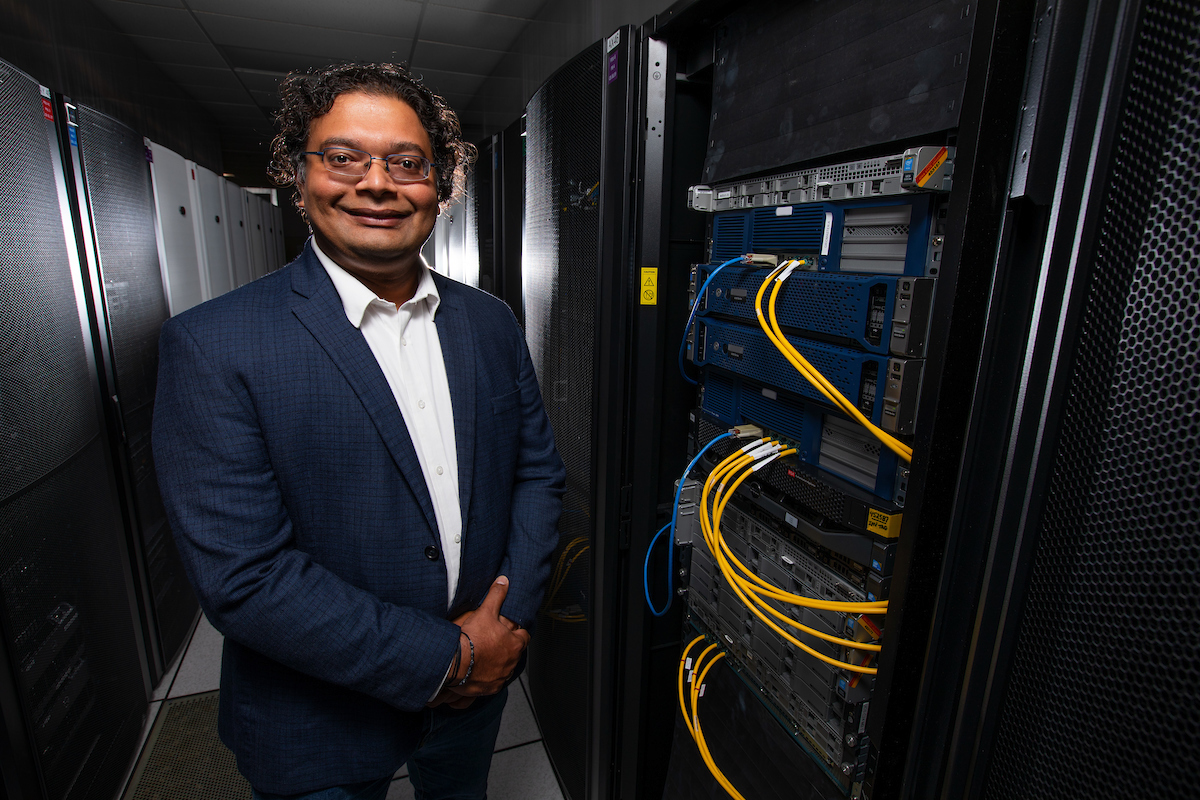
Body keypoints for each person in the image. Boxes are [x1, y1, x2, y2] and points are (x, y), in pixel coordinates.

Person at [152, 62, 565, 800]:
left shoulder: (491, 323)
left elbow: (536, 474)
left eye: (407, 162)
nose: (377, 183)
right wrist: (451, 656)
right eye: (343, 157)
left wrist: (508, 623)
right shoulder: (214, 345)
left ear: (440, 184)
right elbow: (245, 576)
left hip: (477, 692)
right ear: (298, 174)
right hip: (317, 716)